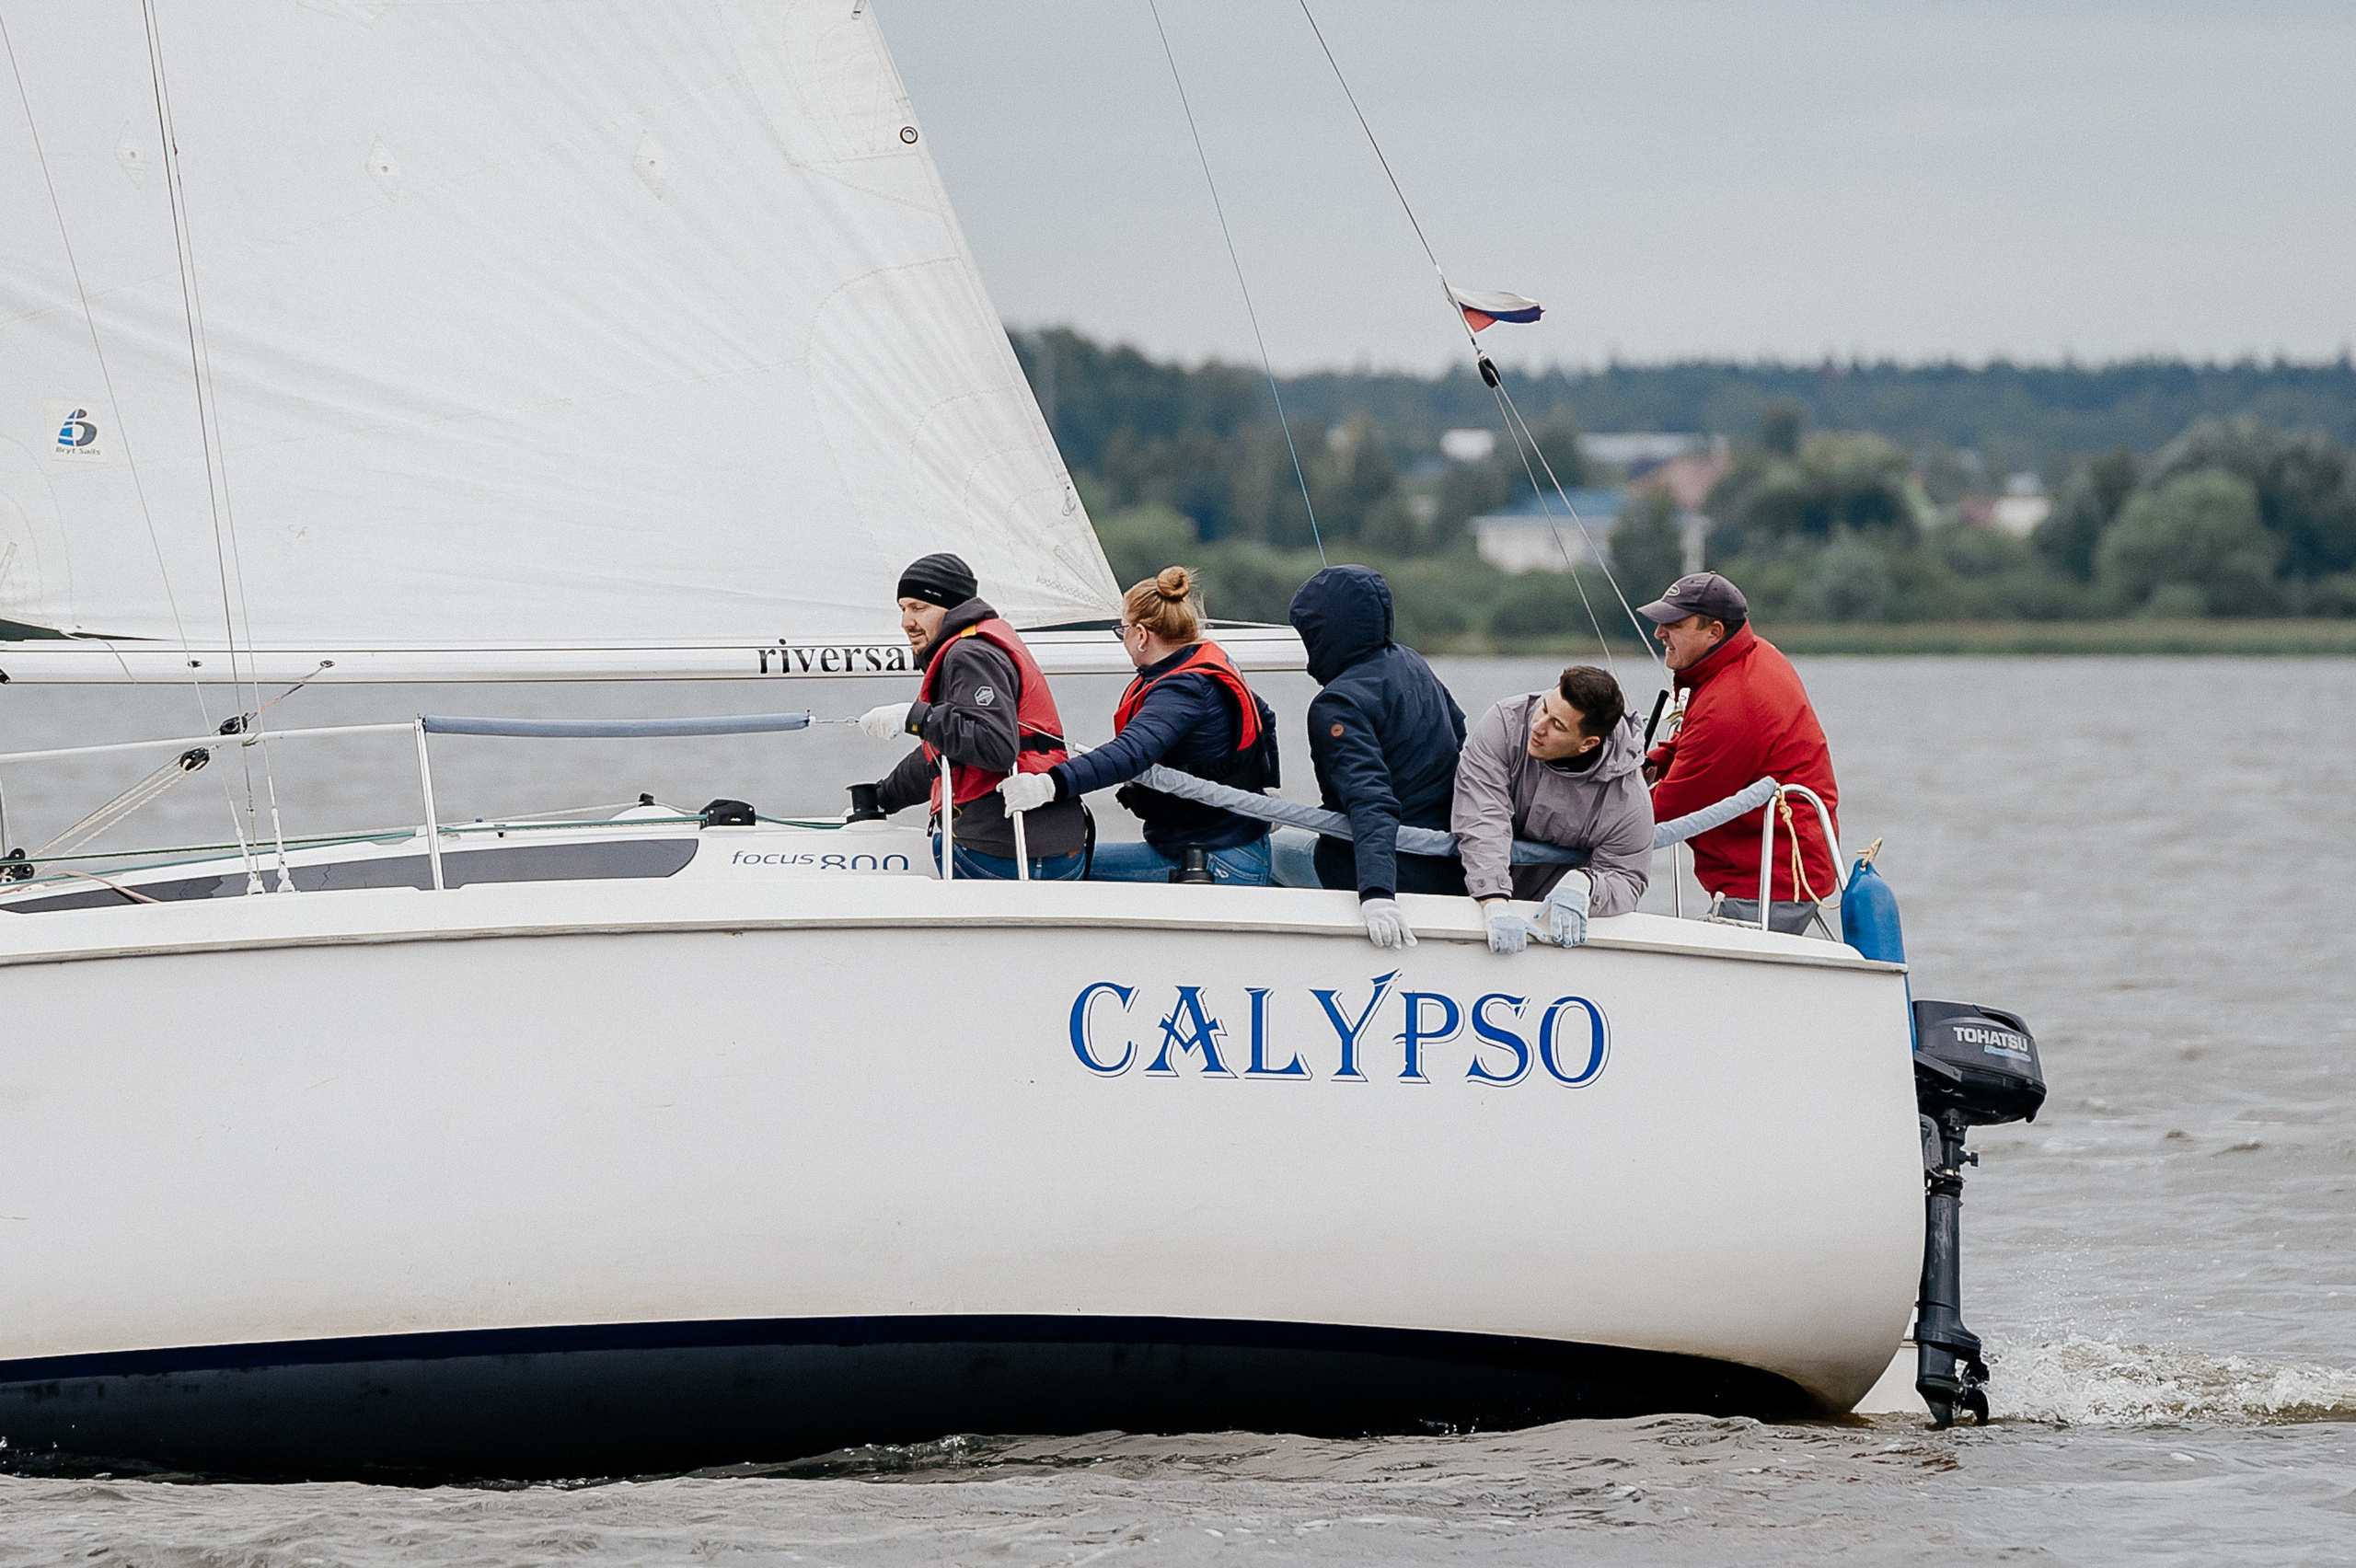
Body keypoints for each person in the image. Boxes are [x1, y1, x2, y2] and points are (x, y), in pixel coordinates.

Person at [998, 567, 1280, 885]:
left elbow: (1130, 753)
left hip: (1216, 859)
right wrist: (1257, 793)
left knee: (1053, 872)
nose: (1123, 639)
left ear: (1142, 634)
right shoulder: (1200, 665)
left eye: (1123, 630)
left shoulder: (1183, 688)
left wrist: (1047, 785)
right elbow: (1265, 716)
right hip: (1234, 843)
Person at [851, 552, 1088, 879]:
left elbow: (995, 747)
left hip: (1007, 850)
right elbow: (945, 753)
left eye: (919, 608)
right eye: (903, 609)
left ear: (952, 608)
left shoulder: (970, 654)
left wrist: (914, 715)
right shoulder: (973, 646)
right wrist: (880, 799)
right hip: (1055, 847)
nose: (906, 622)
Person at [1638, 571, 1840, 933]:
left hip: (1768, 885)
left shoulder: (1733, 702)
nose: (1659, 633)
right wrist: (1653, 763)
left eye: (1674, 624)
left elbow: (1671, 807)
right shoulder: (1750, 655)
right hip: (1781, 874)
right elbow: (1695, 739)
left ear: (1714, 632)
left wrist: (1586, 823)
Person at [1288, 565, 1467, 950]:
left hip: (1387, 871)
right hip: (1446, 867)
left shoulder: (1337, 705)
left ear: (1325, 633)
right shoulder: (1411, 661)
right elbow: (1461, 740)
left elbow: (1371, 800)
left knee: (1264, 858)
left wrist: (1376, 894)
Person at [1451, 665, 1654, 953]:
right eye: (1544, 707)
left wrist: (1585, 884)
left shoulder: (1628, 799)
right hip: (1475, 892)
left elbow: (1628, 877)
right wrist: (1493, 901)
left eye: (1557, 725)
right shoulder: (1504, 723)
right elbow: (1483, 816)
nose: (1538, 726)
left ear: (1588, 743)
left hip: (1556, 918)